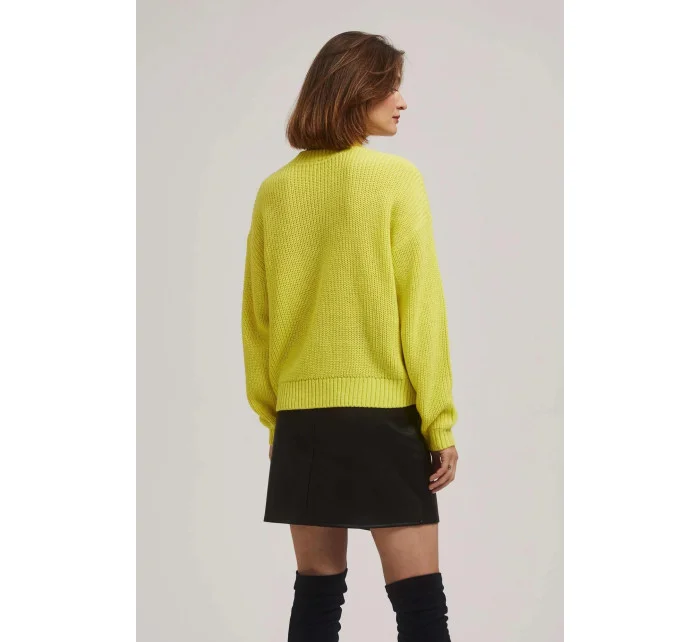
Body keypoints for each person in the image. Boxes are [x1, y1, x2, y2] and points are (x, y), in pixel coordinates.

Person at [241, 30, 459, 642]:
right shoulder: (396, 180)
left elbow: (256, 321)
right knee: (420, 608)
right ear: (355, 91)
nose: (402, 101)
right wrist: (439, 424)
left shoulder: (275, 191)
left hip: (303, 423)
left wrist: (278, 421)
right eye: (391, 87)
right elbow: (421, 309)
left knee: (316, 598)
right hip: (383, 418)